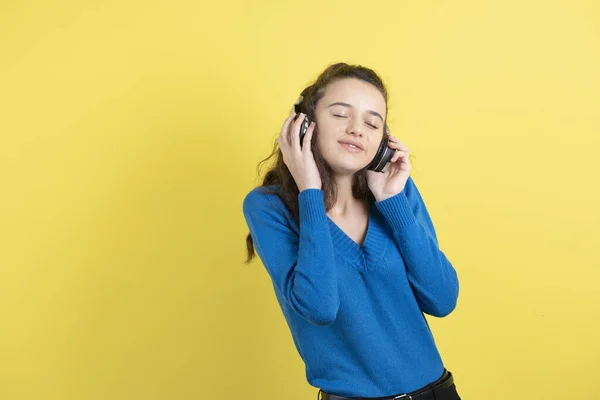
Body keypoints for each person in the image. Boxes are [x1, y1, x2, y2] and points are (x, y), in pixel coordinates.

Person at [242, 62, 461, 400]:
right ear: (304, 125)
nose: (358, 129)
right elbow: (319, 307)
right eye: (341, 115)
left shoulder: (396, 192)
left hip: (438, 393)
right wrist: (310, 193)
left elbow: (443, 298)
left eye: (372, 122)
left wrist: (393, 203)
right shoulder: (268, 208)